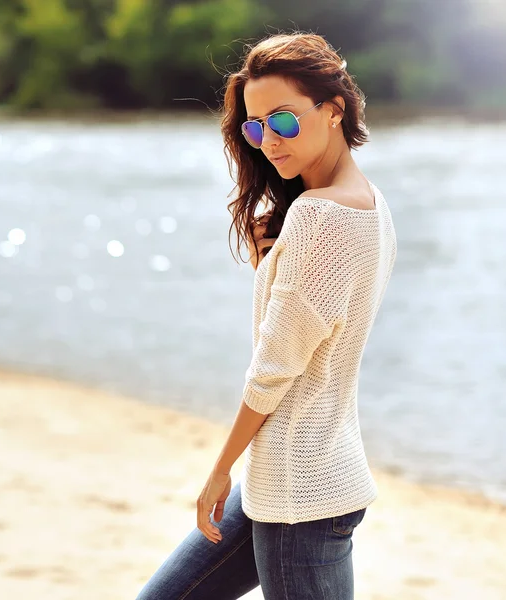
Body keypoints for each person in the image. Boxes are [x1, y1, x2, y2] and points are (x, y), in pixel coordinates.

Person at [136, 31, 397, 600]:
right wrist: (270, 259)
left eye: (283, 120)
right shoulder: (369, 205)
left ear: (333, 110)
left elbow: (275, 367)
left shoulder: (320, 217)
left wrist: (218, 469)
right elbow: (316, 333)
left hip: (300, 499)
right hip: (287, 482)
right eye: (255, 128)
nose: (267, 141)